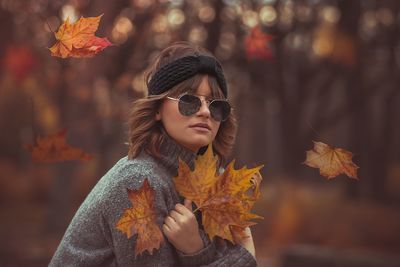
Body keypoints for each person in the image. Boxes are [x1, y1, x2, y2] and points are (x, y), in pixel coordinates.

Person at [49, 41, 257, 266]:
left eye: (216, 105)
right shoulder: (139, 182)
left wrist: (196, 248)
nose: (205, 112)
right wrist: (243, 258)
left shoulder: (214, 184)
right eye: (188, 101)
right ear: (158, 109)